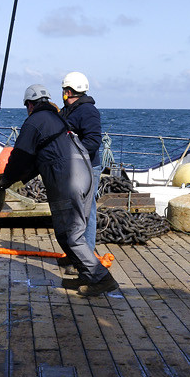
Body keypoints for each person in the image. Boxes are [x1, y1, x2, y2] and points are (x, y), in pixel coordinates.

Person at [0, 83, 118, 298]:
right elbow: (37, 161)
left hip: (69, 181)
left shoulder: (34, 122)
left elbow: (21, 156)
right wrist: (17, 179)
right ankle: (86, 275)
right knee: (65, 233)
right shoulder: (57, 119)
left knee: (72, 235)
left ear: (29, 104)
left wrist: (5, 179)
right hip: (84, 176)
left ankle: (101, 278)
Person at [58, 71, 103, 282]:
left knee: (86, 211)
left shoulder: (88, 111)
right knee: (73, 210)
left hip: (87, 168)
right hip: (74, 167)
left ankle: (87, 257)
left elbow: (93, 141)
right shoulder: (69, 110)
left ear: (68, 91)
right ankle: (75, 254)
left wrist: (72, 155)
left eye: (63, 91)